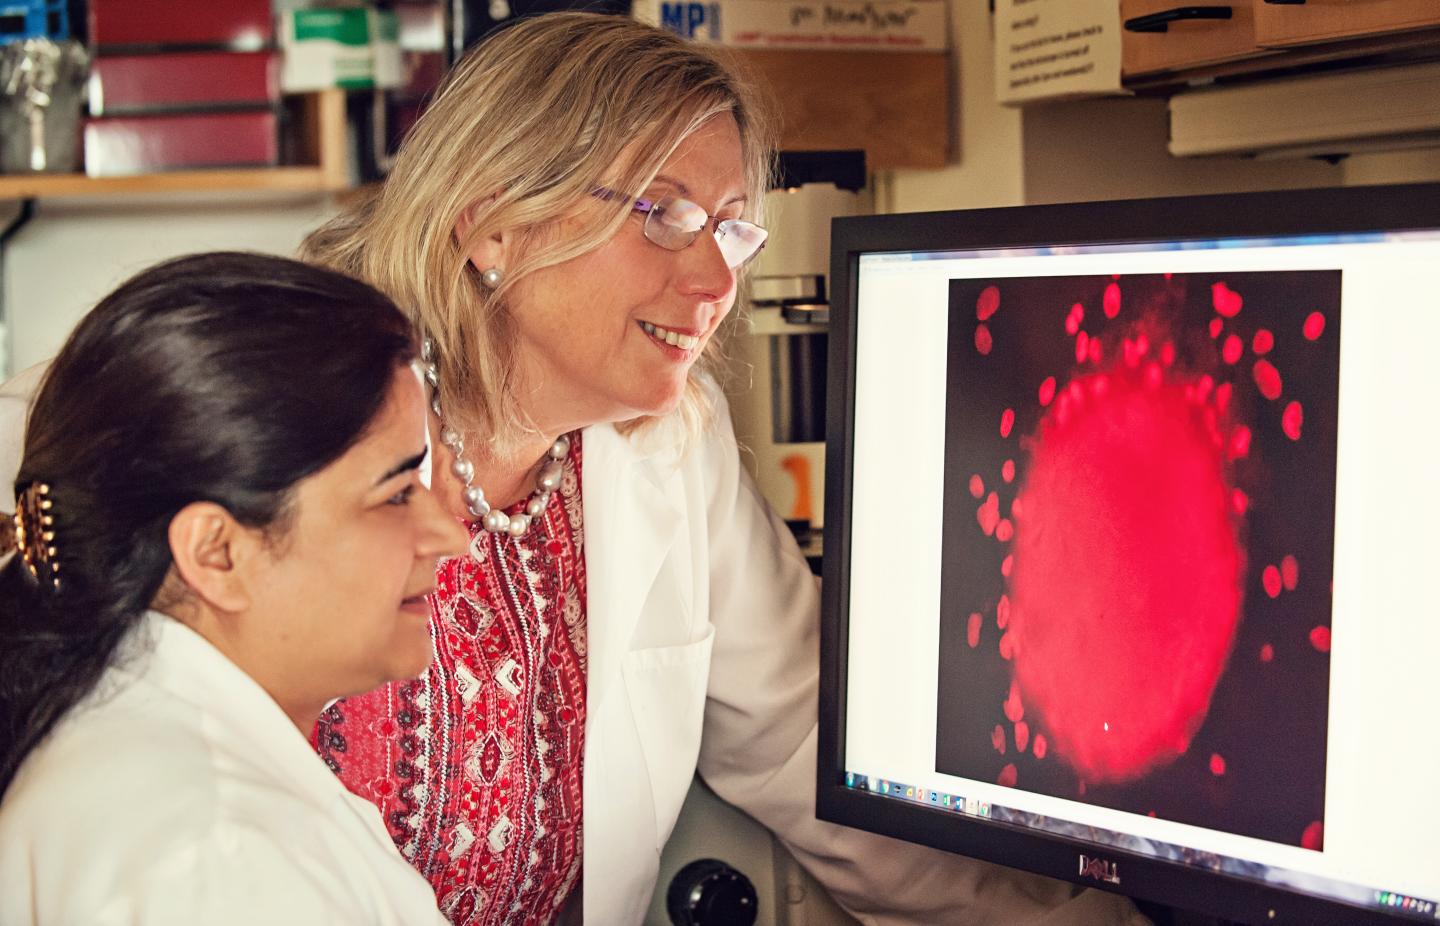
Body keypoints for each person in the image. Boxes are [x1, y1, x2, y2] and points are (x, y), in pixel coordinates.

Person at [296, 12, 1152, 925]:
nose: (715, 281)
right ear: (493, 226)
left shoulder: (661, 441)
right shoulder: (289, 430)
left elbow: (797, 746)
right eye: (665, 215)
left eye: (733, 229)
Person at [0, 252, 468, 924]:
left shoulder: (160, 766)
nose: (453, 537)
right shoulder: (216, 856)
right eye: (396, 495)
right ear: (217, 553)